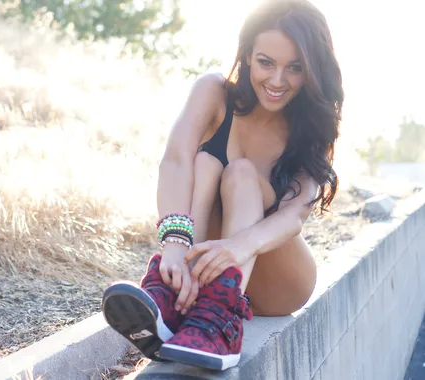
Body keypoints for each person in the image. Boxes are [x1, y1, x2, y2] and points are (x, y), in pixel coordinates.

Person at [102, 0, 343, 371]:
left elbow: (294, 216)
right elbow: (175, 161)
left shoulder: (310, 125)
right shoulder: (214, 92)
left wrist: (238, 246)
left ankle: (220, 321)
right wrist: (174, 245)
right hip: (207, 262)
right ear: (247, 55)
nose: (278, 81)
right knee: (205, 159)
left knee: (241, 173)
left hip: (280, 278)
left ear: (311, 70)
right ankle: (173, 292)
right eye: (266, 62)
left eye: (294, 68)